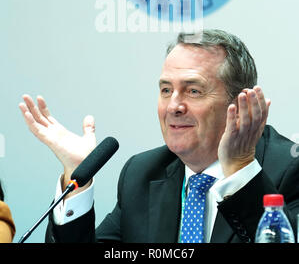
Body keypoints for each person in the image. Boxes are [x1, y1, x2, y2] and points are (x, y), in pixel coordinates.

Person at [19, 29, 299, 243]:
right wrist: (76, 180)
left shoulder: (288, 170)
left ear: (240, 105)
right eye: (166, 90)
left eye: (193, 91)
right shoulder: (142, 174)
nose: (174, 106)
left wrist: (239, 170)